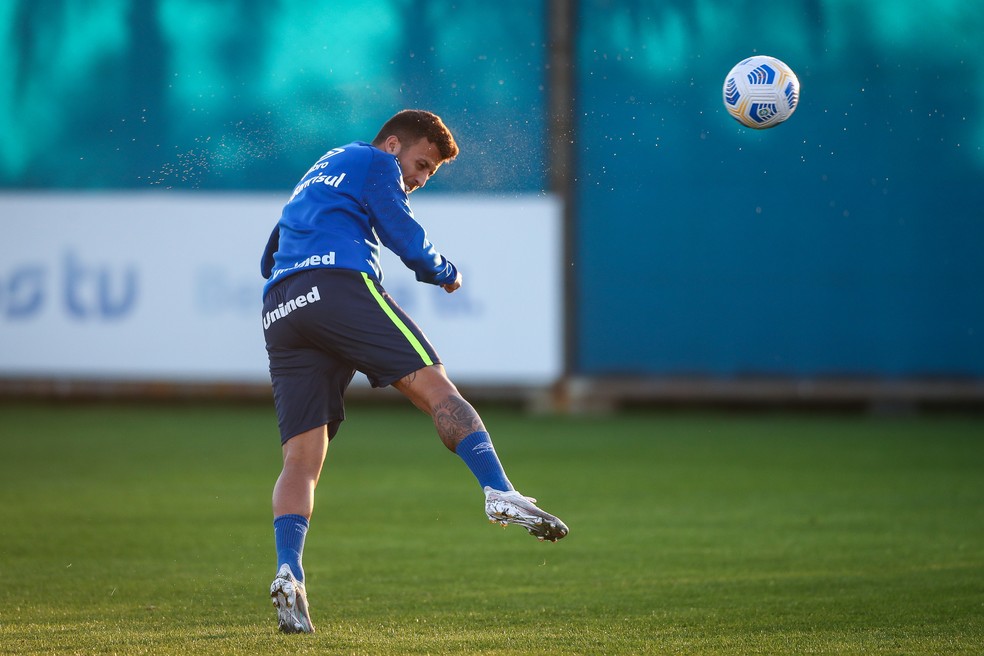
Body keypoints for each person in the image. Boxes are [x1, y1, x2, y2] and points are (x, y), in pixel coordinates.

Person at [259, 109, 569, 634]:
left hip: (281, 308)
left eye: (427, 176)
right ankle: (498, 491)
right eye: (419, 164)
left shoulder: (321, 169)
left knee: (301, 459)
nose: (417, 179)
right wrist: (441, 269)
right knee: (437, 389)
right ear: (394, 143)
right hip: (337, 285)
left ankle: (289, 571)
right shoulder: (377, 162)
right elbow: (399, 229)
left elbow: (271, 251)